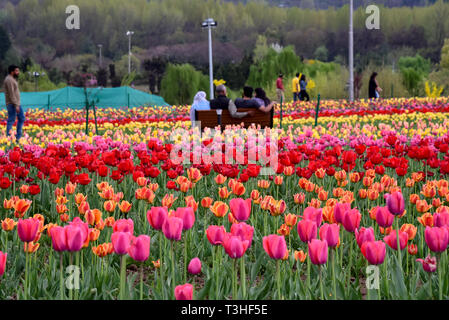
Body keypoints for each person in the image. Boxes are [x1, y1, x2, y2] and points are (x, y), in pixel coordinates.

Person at [3, 65, 25, 141]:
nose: (18, 72)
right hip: (13, 104)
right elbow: (11, 94)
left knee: (21, 118)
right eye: (16, 71)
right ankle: (9, 137)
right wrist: (16, 105)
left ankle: (17, 137)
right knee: (11, 120)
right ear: (12, 72)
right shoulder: (9, 80)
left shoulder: (12, 79)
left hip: (16, 103)